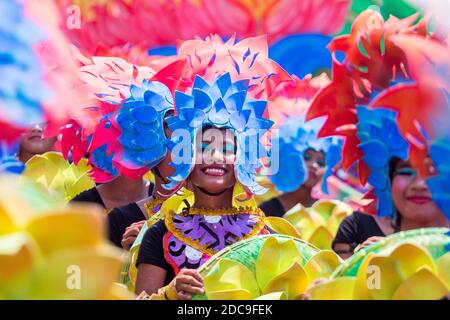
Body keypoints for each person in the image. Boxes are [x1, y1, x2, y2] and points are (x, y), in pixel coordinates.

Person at [134, 73, 273, 299]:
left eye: (227, 149)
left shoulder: (264, 235)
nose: (215, 156)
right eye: (204, 147)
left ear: (243, 161)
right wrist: (169, 293)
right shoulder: (159, 234)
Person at [333, 157, 449, 258]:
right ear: (388, 179)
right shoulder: (357, 227)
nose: (419, 185)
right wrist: (362, 264)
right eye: (406, 172)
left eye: (434, 172)